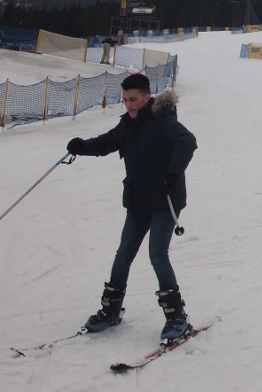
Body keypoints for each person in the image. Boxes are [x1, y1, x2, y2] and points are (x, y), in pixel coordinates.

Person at [66, 73, 197, 342]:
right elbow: (105, 143)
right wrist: (81, 147)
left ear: (147, 97)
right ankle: (111, 310)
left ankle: (177, 318)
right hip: (138, 201)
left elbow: (187, 142)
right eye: (125, 100)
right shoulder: (127, 125)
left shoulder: (163, 120)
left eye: (134, 99)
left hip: (164, 200)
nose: (129, 105)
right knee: (123, 254)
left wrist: (172, 175)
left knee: (157, 255)